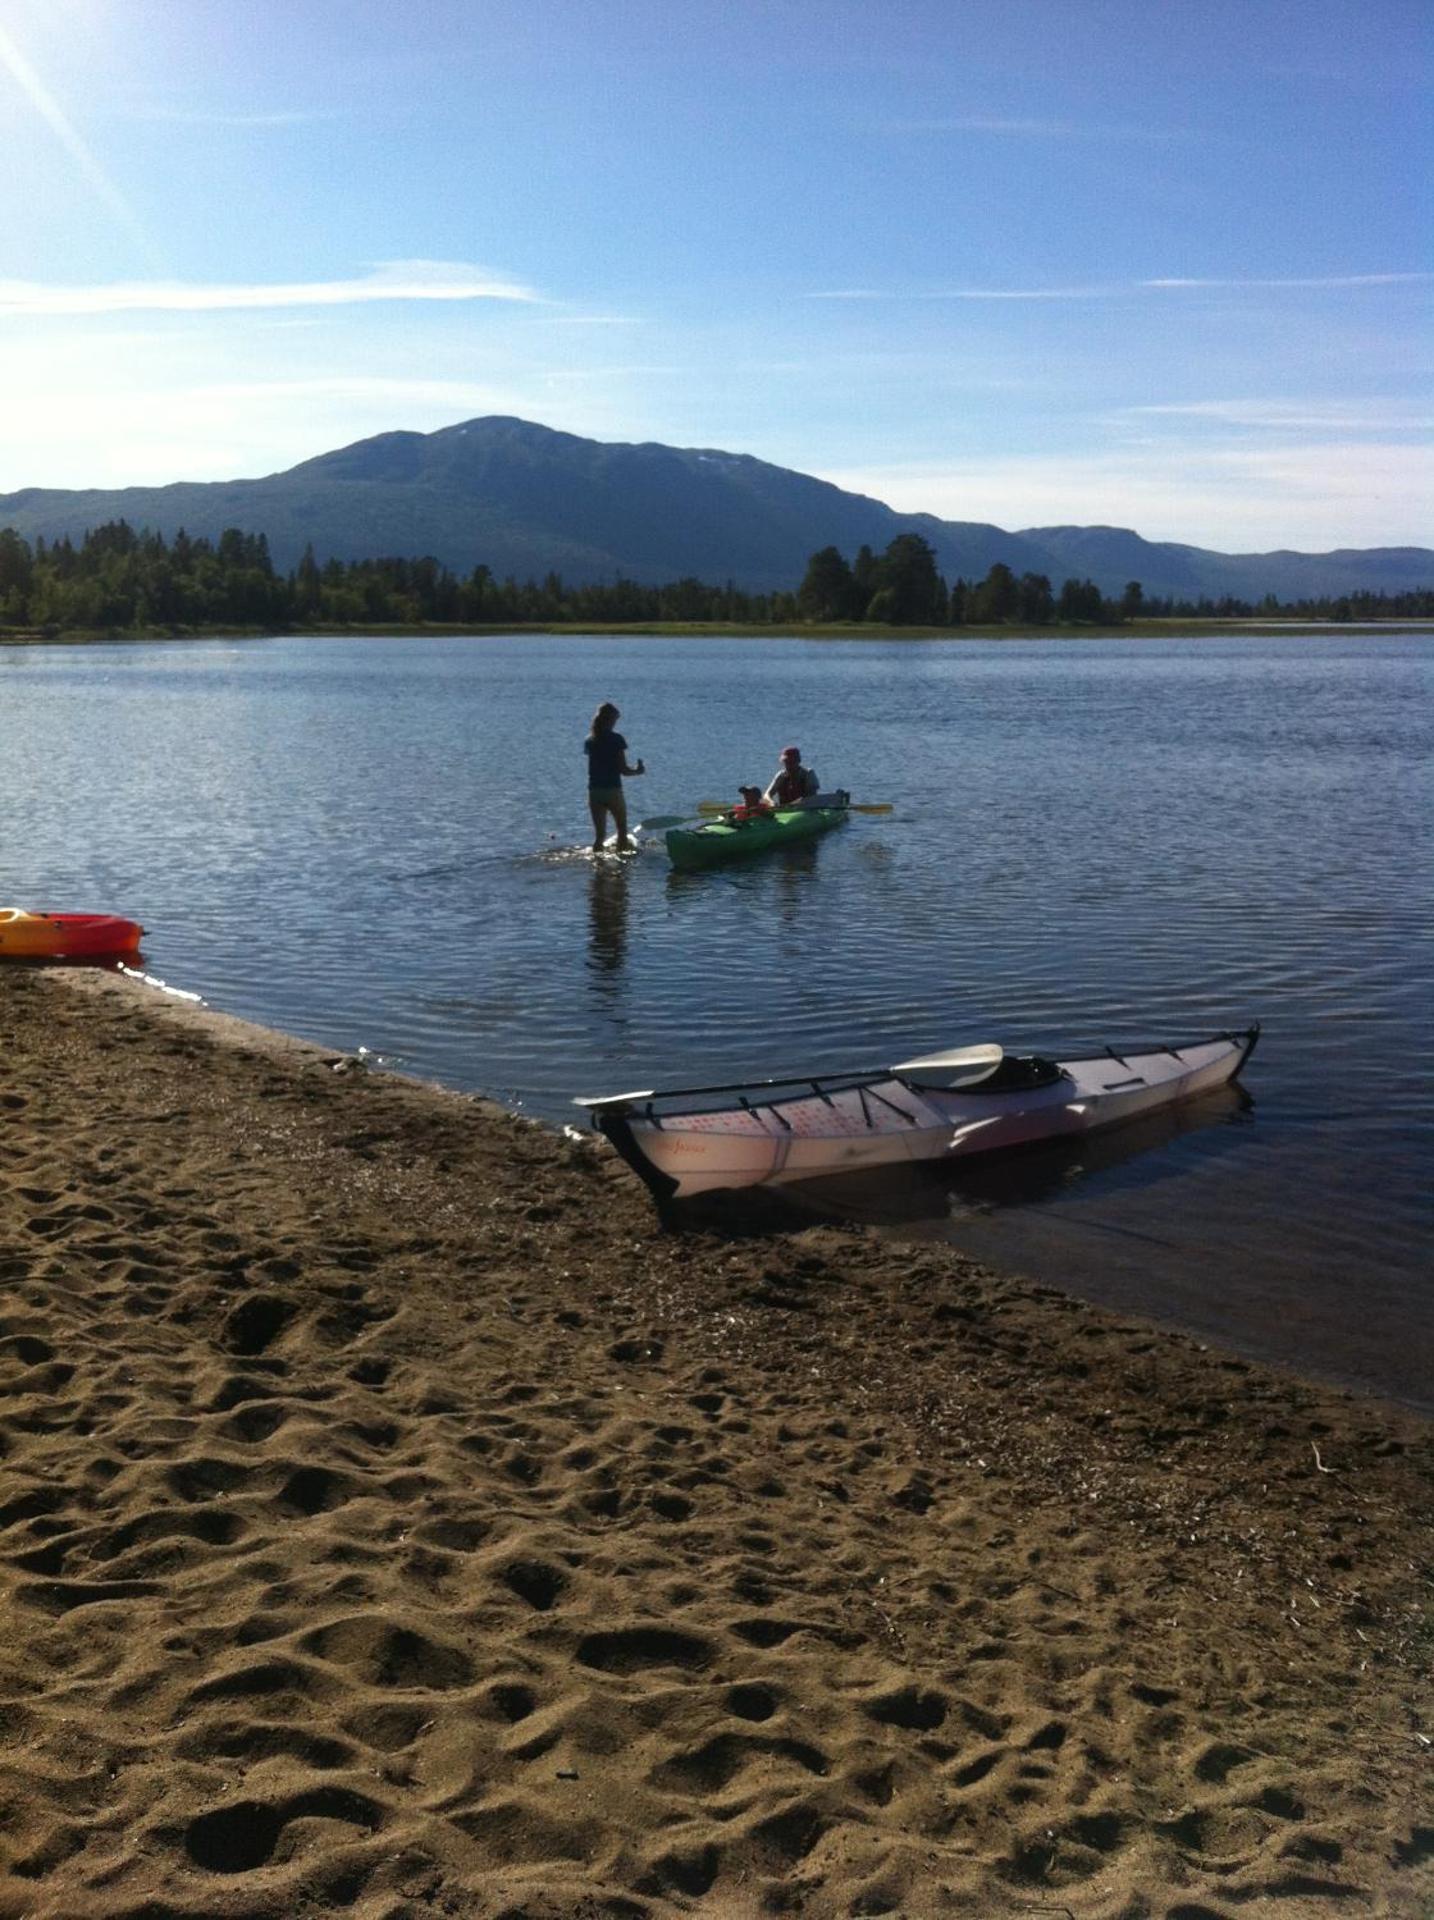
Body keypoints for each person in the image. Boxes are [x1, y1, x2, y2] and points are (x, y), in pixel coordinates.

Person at [584, 702, 644, 853]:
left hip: (594, 792)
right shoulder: (616, 739)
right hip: (613, 791)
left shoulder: (590, 740)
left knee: (599, 836)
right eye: (616, 719)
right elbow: (623, 770)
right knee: (622, 830)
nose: (616, 723)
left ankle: (597, 866)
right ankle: (622, 867)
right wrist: (638, 770)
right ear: (610, 720)